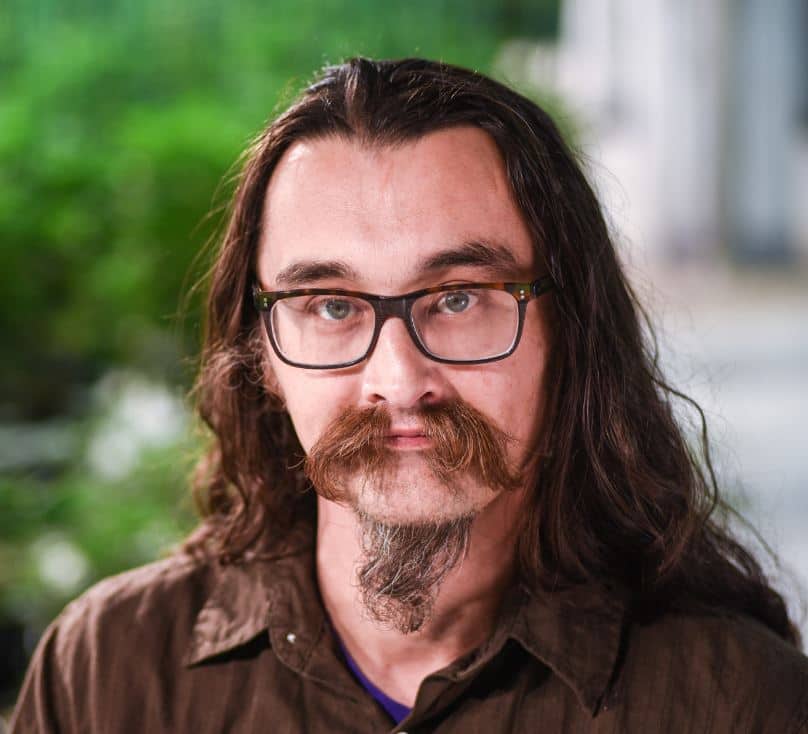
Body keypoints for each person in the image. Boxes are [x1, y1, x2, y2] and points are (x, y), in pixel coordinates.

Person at [10, 57, 808, 733]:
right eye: (330, 306)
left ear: (572, 331)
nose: (397, 380)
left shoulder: (735, 703)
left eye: (458, 298)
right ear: (261, 355)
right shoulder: (106, 677)